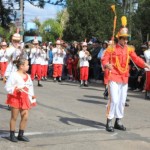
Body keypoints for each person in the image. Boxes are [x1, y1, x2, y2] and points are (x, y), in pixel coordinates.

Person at [101, 16, 150, 132]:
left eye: (127, 38)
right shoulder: (111, 48)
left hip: (124, 78)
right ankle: (109, 120)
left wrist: (145, 64)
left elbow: (136, 59)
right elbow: (104, 59)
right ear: (119, 38)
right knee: (114, 100)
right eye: (124, 38)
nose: (126, 40)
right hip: (113, 76)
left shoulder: (129, 49)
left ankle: (118, 120)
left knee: (122, 101)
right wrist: (107, 64)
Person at [5, 58, 36, 142]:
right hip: (16, 98)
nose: (29, 66)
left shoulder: (28, 76)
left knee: (25, 117)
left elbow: (30, 87)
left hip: (25, 98)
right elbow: (7, 87)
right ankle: (12, 135)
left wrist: (32, 97)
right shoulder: (14, 75)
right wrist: (16, 89)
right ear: (22, 66)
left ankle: (21, 134)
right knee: (14, 117)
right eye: (27, 65)